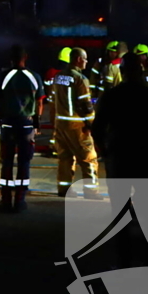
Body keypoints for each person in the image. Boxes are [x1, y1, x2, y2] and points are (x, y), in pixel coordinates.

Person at [91, 52, 148, 267]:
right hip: (145, 156)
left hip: (120, 156)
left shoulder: (112, 96)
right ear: (141, 71)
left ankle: (123, 258)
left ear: (122, 72)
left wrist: (105, 151)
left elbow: (97, 128)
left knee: (120, 211)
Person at [0, 45, 42, 212]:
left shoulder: (4, 76)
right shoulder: (34, 76)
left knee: (7, 161)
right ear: (26, 57)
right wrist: (36, 123)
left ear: (11, 58)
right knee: (24, 162)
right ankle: (20, 201)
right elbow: (40, 102)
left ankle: (6, 200)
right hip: (26, 125)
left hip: (7, 123)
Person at [53, 48, 100, 199]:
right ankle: (91, 191)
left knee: (65, 157)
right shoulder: (80, 79)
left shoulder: (58, 76)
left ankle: (64, 189)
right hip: (77, 125)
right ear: (79, 59)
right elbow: (86, 104)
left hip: (61, 123)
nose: (86, 62)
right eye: (85, 59)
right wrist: (91, 123)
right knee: (88, 157)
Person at [43, 47, 72, 153]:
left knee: (55, 126)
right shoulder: (67, 74)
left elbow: (46, 87)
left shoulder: (50, 72)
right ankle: (59, 148)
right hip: (63, 104)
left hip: (52, 104)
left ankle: (54, 147)